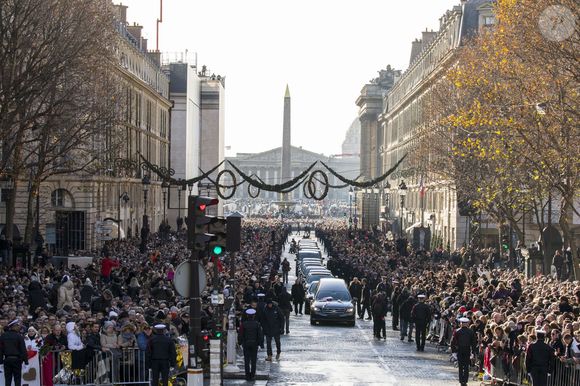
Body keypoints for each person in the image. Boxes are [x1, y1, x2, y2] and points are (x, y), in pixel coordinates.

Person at [0, 319, 29, 386]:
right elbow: (23, 350)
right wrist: (26, 362)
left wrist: (1, 362)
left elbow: (0, 350)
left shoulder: (3, 336)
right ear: (13, 326)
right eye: (17, 325)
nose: (19, 327)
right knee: (17, 380)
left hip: (7, 360)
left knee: (7, 380)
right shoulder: (19, 336)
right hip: (17, 360)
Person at [238, 309, 264, 381]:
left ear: (247, 315)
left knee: (246, 360)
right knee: (253, 360)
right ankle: (252, 375)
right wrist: (260, 343)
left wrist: (240, 342)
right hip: (254, 344)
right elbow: (260, 335)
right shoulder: (257, 324)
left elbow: (240, 334)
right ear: (254, 316)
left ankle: (247, 375)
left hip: (246, 343)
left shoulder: (243, 324)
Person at [451, 317, 477, 386]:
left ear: (461, 324)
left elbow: (453, 342)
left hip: (459, 350)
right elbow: (474, 343)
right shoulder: (471, 332)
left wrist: (453, 351)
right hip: (467, 350)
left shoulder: (457, 331)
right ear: (467, 324)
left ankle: (461, 381)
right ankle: (465, 381)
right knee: (466, 366)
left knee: (460, 366)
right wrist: (473, 352)